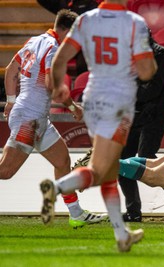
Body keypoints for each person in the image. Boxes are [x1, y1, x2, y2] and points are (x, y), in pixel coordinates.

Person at [39, 0, 157, 253]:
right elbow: (147, 71)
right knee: (101, 170)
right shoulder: (134, 23)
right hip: (118, 103)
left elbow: (59, 61)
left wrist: (59, 87)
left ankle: (120, 234)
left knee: (110, 169)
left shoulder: (86, 20)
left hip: (92, 99)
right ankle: (56, 188)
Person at [1, 9, 107, 228]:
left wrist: (11, 100)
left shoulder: (35, 41)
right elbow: (52, 84)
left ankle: (75, 213)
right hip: (30, 120)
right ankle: (76, 213)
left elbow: (12, 68)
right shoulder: (53, 48)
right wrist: (72, 106)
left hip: (35, 117)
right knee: (6, 171)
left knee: (62, 161)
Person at [118, 30, 164, 222]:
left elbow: (154, 89)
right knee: (122, 162)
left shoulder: (159, 54)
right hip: (135, 112)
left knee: (146, 157)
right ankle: (133, 211)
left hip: (156, 112)